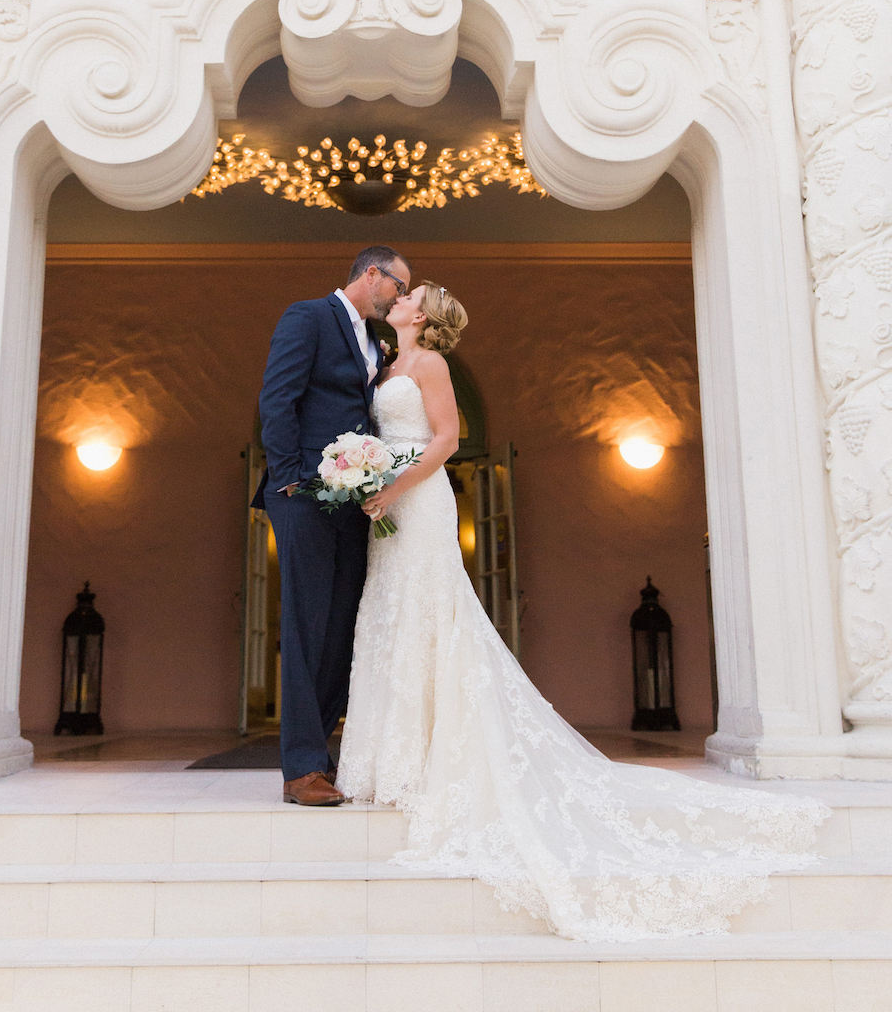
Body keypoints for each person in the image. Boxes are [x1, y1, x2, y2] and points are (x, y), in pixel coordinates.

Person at [337, 281, 830, 941]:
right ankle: (392, 758)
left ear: (420, 316)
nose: (398, 295)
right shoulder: (386, 363)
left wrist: (392, 485)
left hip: (418, 503)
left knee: (427, 614)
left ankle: (429, 756)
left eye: (410, 294)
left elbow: (449, 438)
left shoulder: (430, 364)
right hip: (387, 503)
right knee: (387, 618)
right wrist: (361, 474)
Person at [257, 244, 411, 806]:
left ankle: (318, 755)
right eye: (398, 285)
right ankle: (299, 770)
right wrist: (290, 479)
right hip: (303, 495)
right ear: (372, 275)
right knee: (306, 626)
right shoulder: (308, 317)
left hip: (355, 501)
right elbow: (278, 398)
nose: (399, 296)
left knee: (343, 627)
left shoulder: (377, 342)